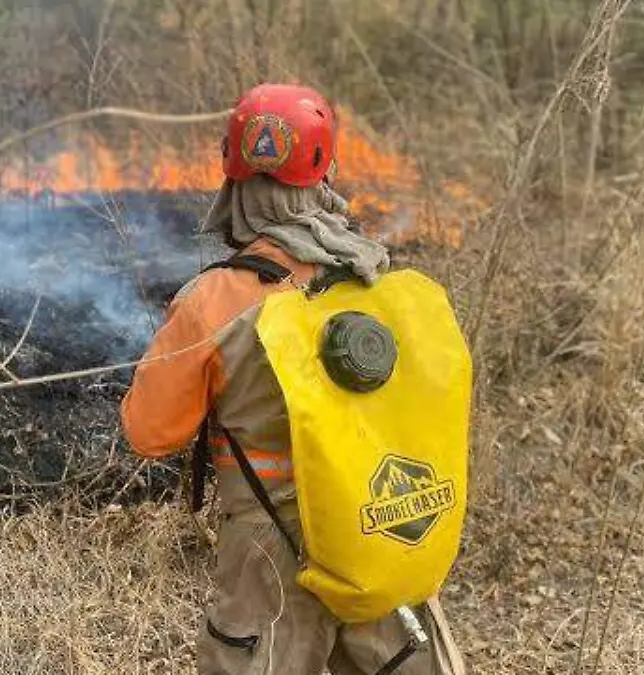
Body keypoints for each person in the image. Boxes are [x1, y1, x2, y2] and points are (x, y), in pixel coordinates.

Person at [119, 84, 466, 675]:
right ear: (323, 171)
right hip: (379, 515)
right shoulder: (377, 279)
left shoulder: (213, 300)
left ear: (234, 177)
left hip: (270, 547)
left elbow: (150, 433)